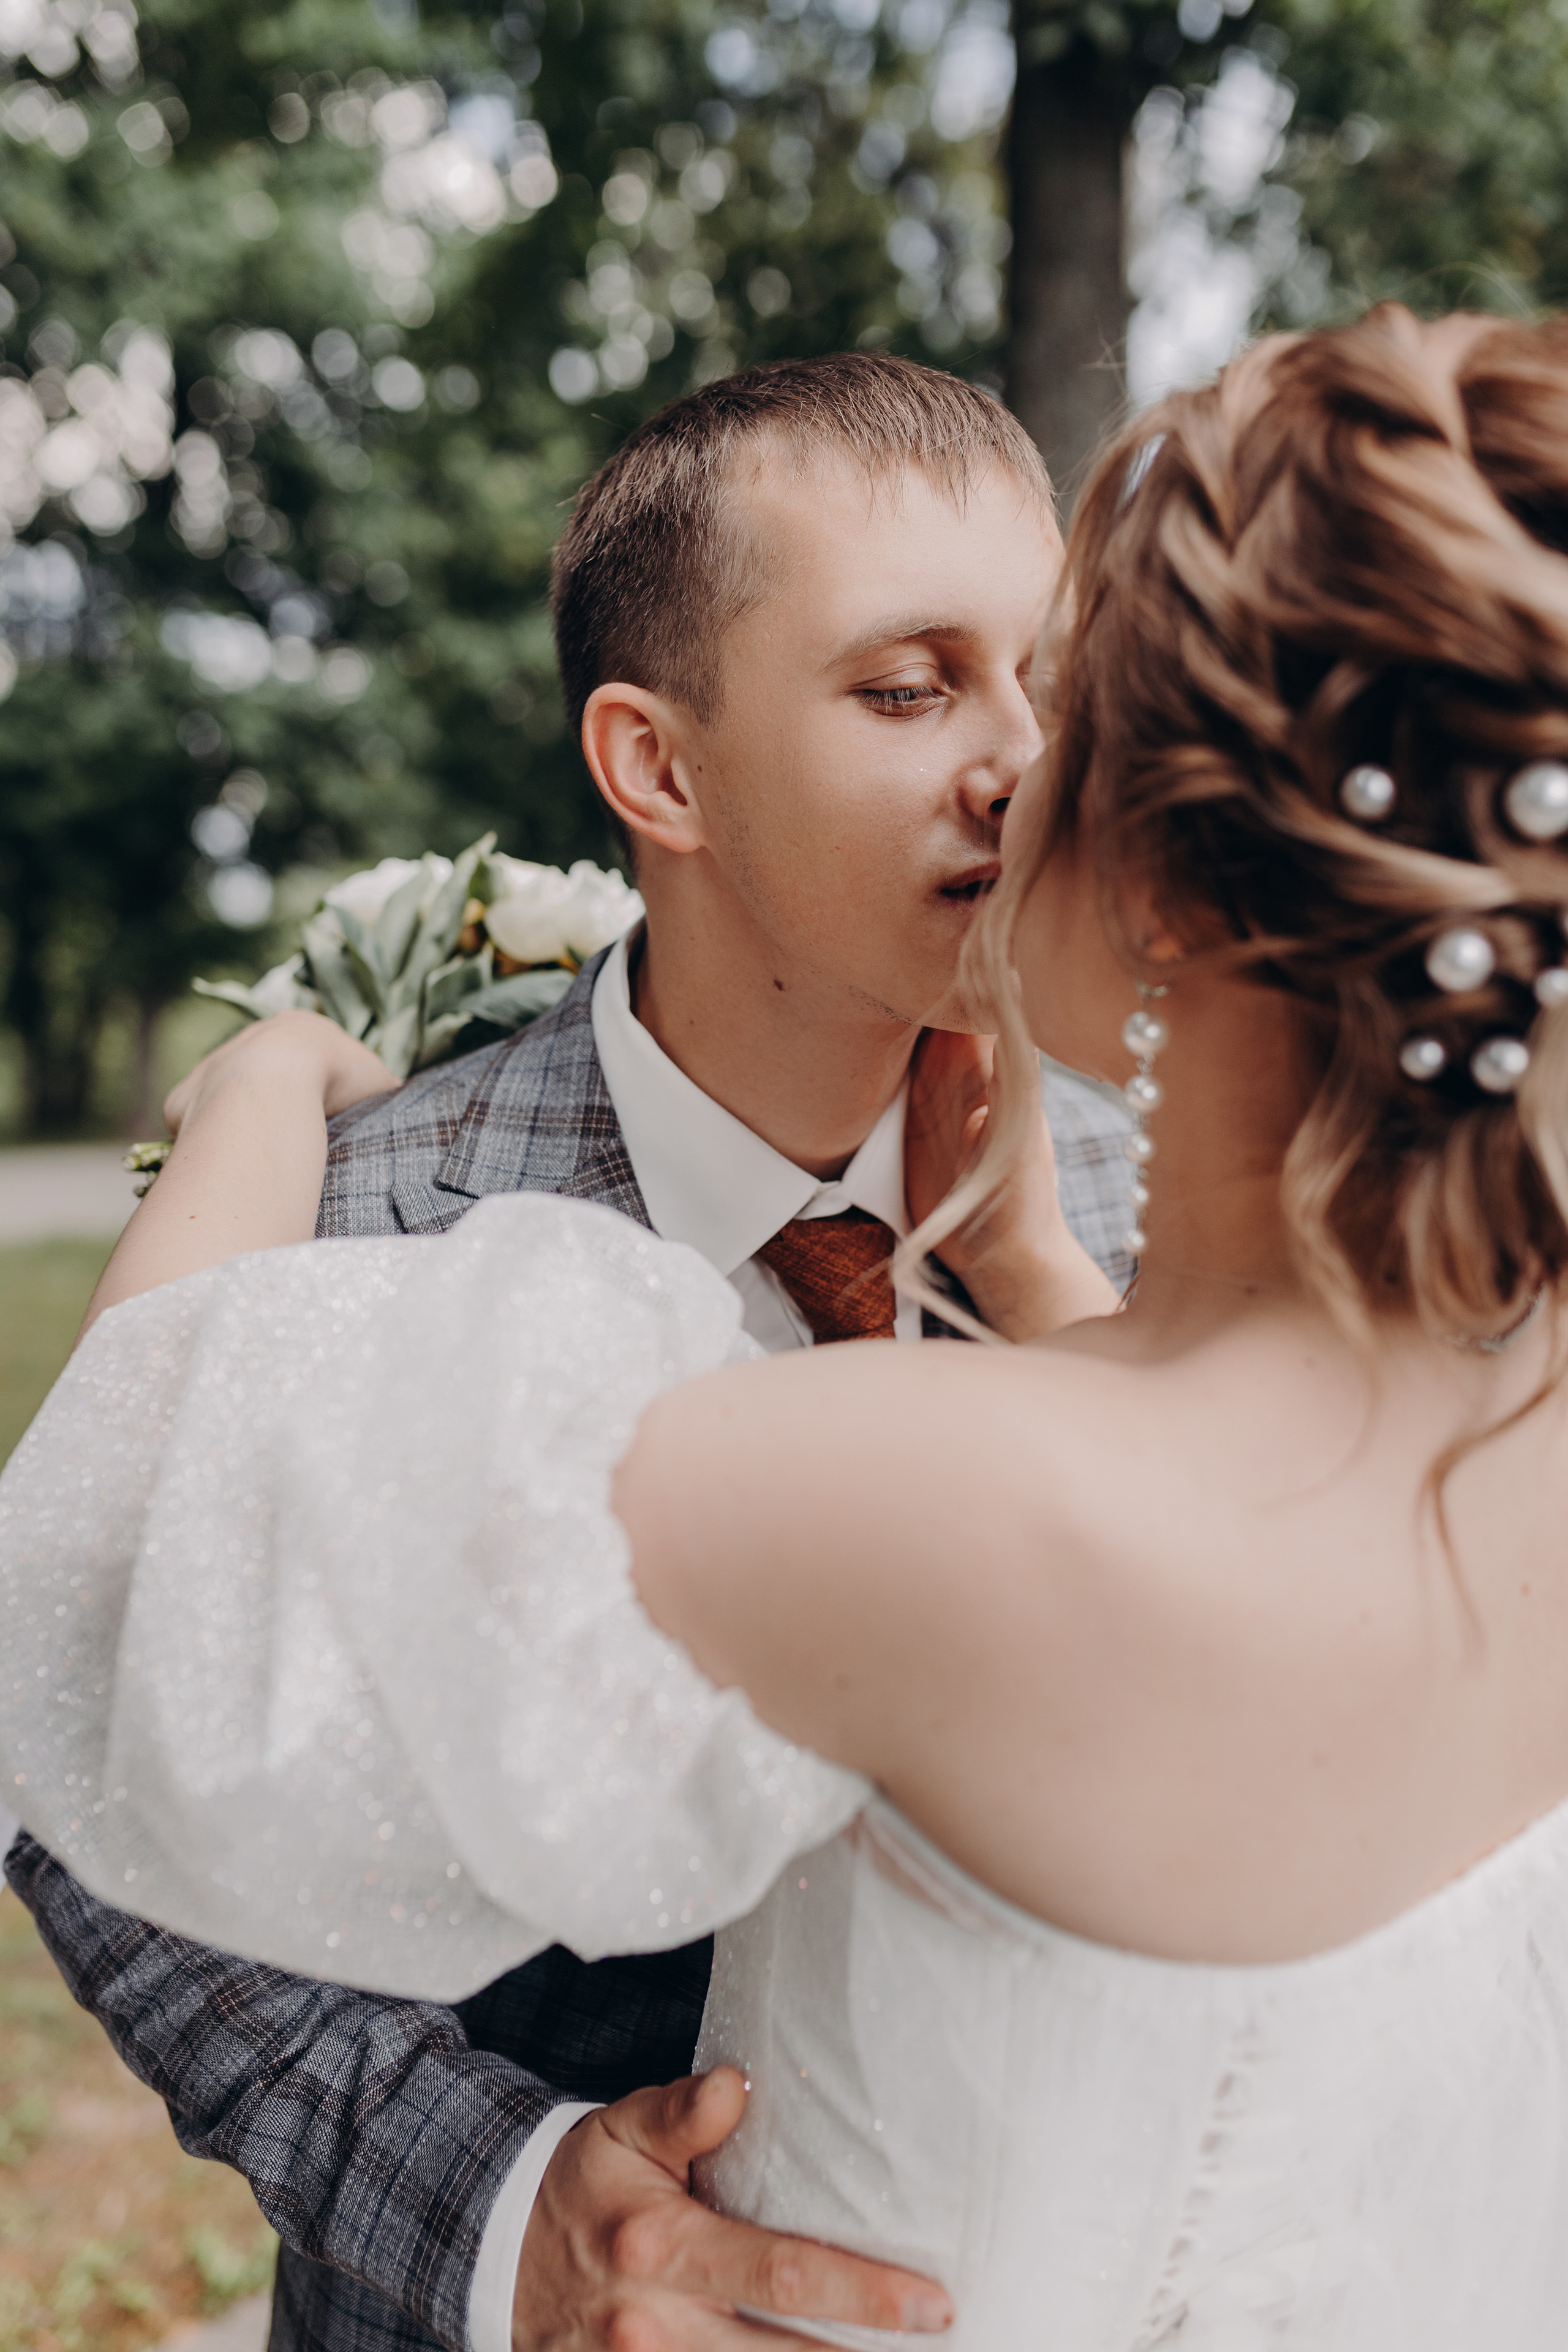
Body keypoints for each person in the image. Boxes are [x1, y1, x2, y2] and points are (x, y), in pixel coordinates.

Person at [4, 354, 1133, 2352]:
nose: (1022, 762)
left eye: (1044, 679)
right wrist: (498, 2204)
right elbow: (77, 1763)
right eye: (909, 688)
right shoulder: (362, 1225)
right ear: (658, 771)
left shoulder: (1160, 1197)